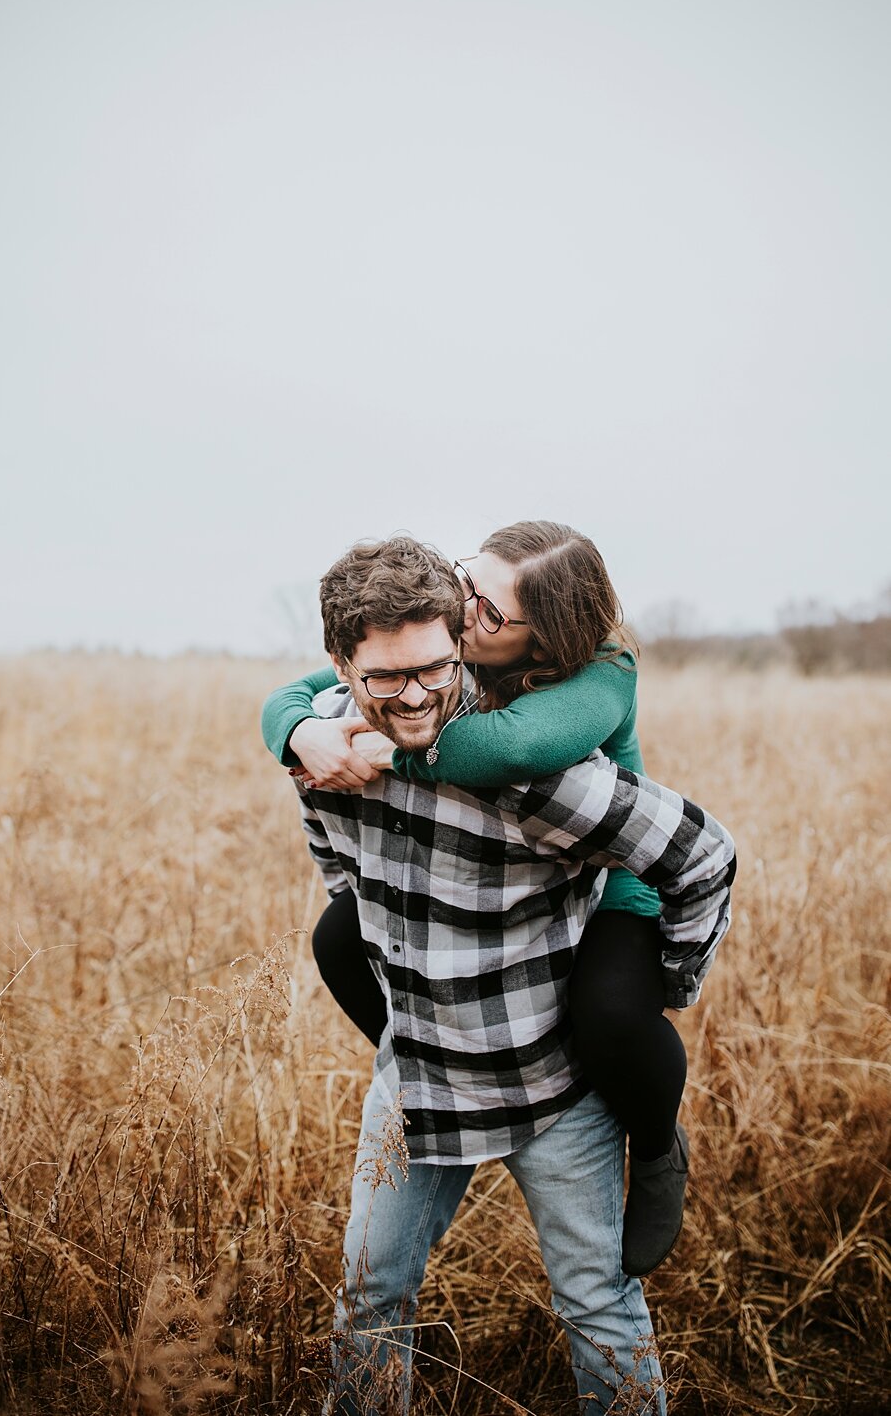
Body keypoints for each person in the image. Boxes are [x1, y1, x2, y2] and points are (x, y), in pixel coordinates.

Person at [275, 535, 736, 1416]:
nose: (413, 696)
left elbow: (704, 856)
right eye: (383, 679)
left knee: (597, 1305)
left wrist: (662, 986)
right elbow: (343, 879)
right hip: (415, 1081)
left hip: (552, 1083)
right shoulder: (326, 759)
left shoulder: (538, 773)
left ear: (459, 646)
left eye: (433, 669)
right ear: (341, 664)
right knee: (371, 1298)